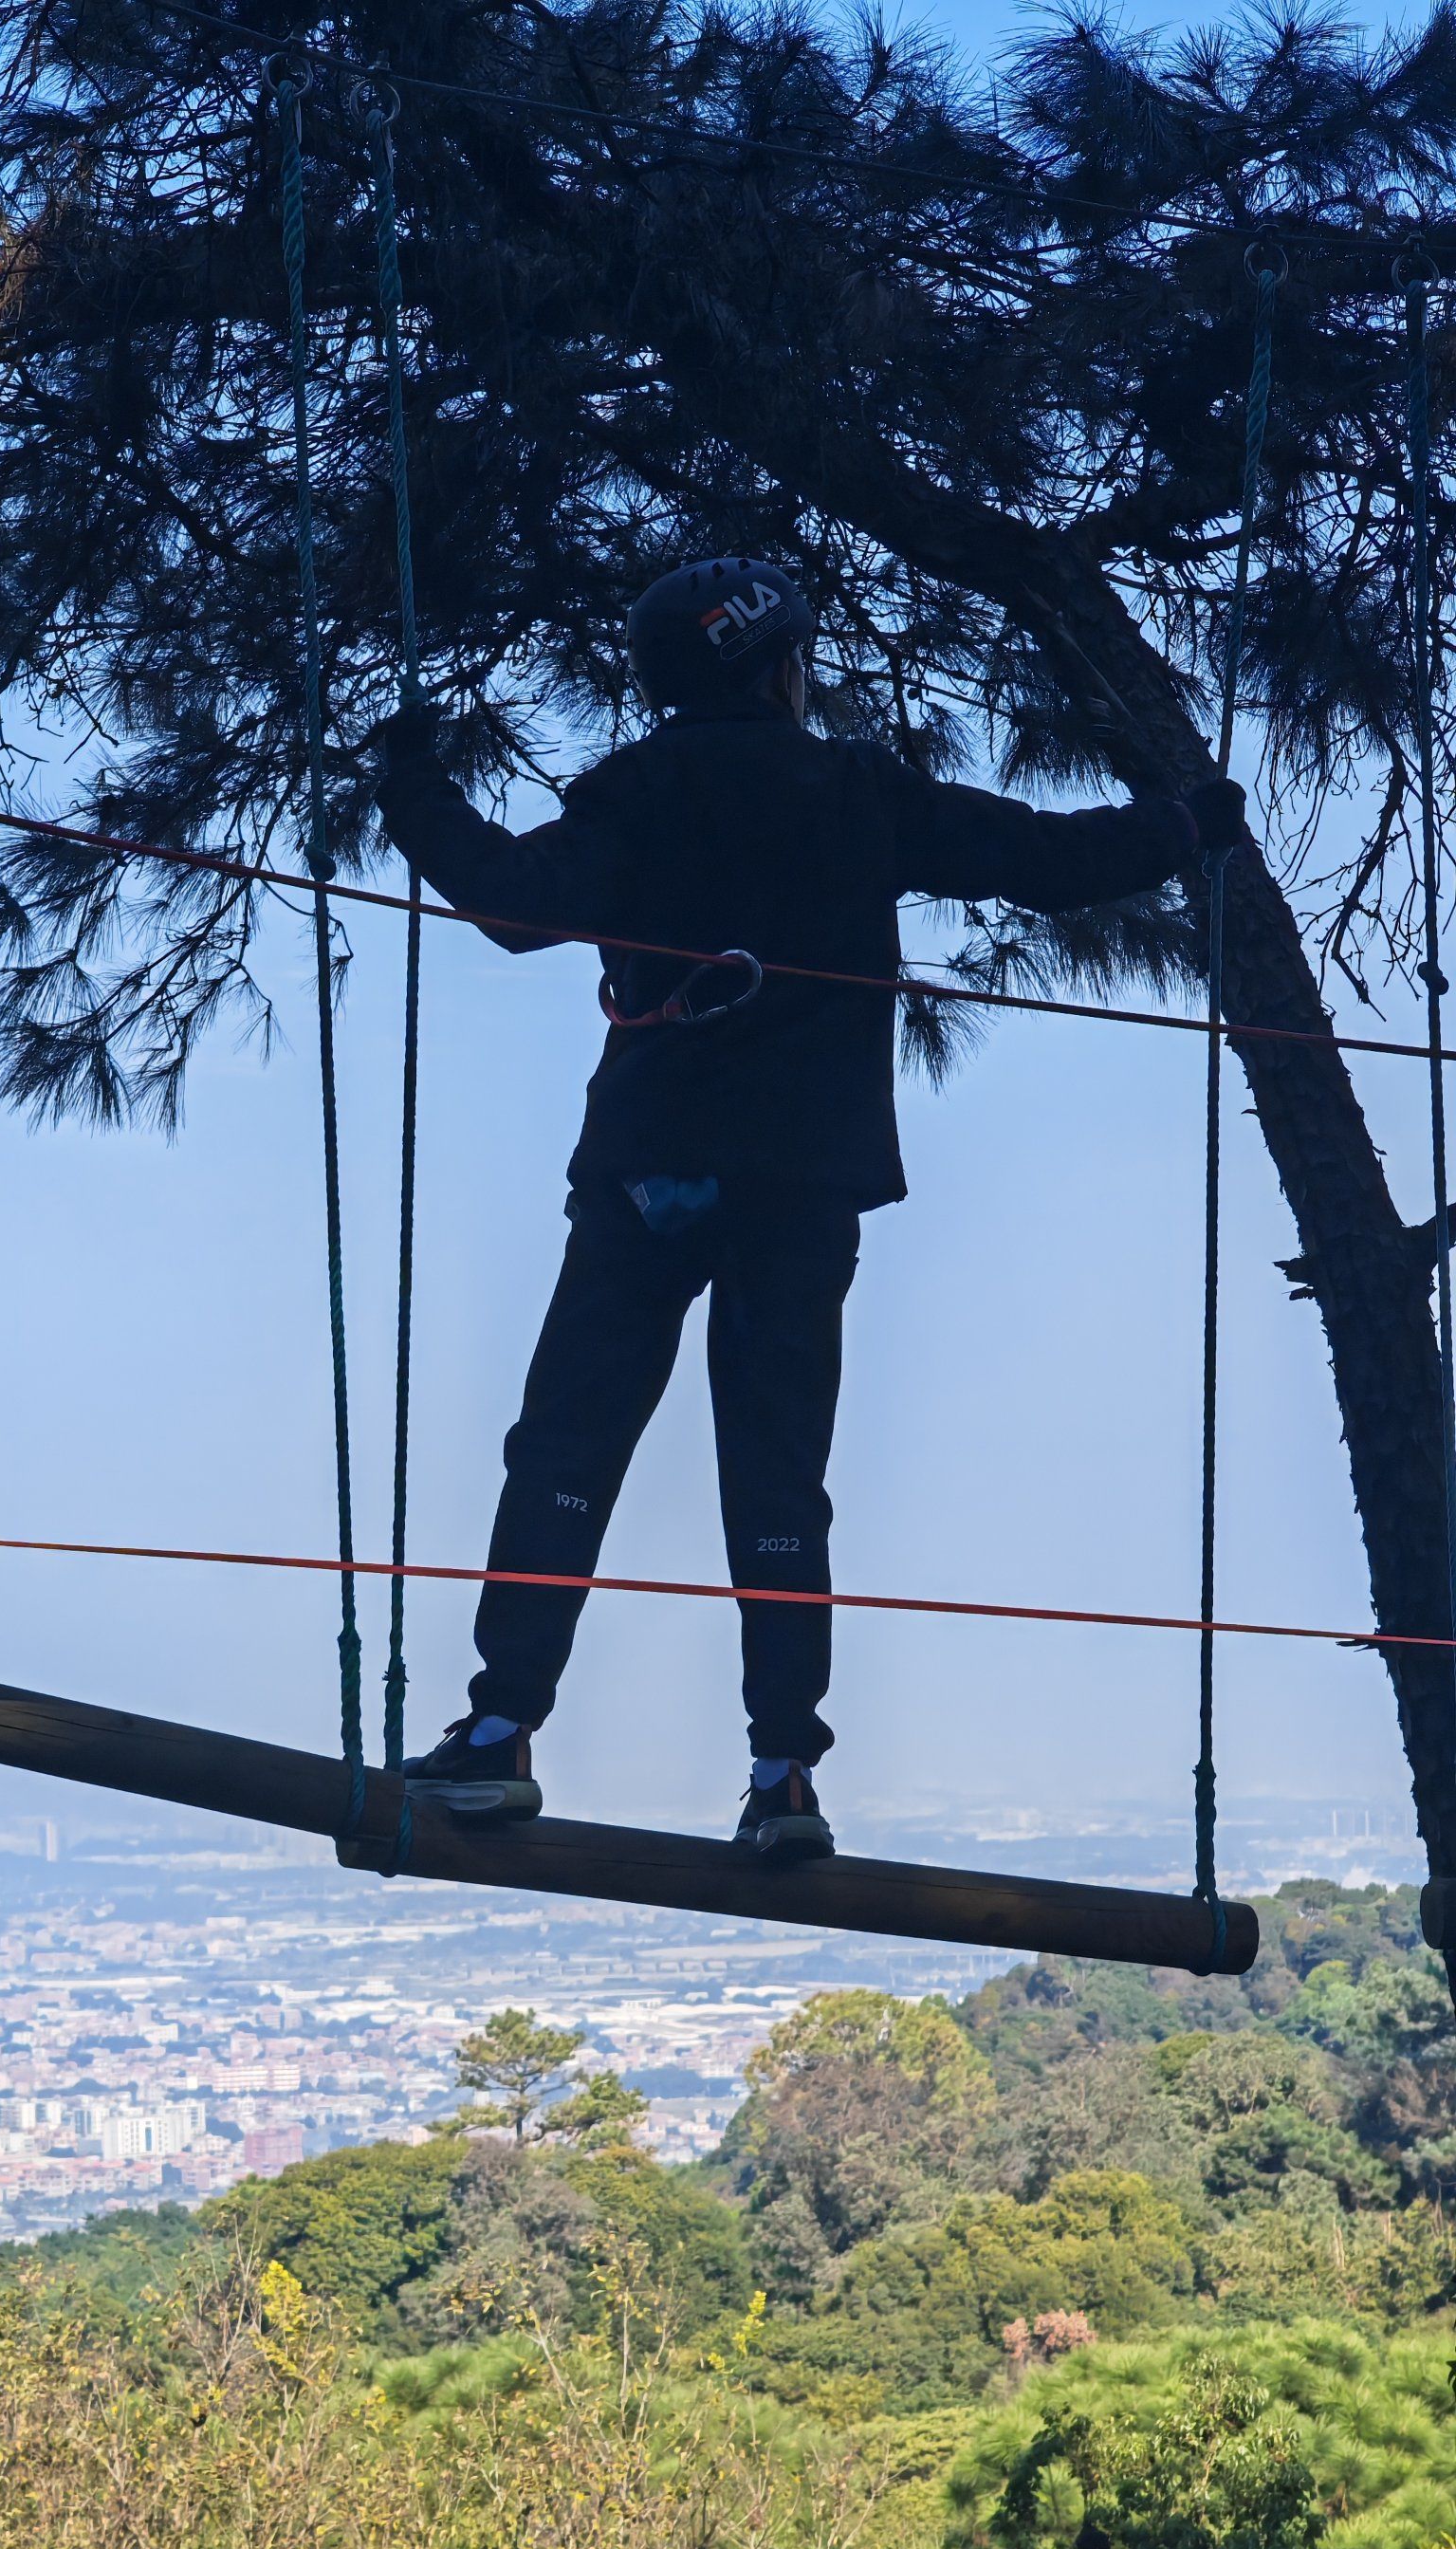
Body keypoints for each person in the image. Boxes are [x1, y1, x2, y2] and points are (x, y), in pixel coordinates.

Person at [375, 556, 1243, 1855]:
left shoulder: (639, 791)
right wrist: (1189, 821)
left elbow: (507, 901)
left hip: (650, 1165)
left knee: (568, 1446)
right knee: (776, 1469)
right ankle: (784, 1772)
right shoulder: (856, 795)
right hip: (803, 1180)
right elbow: (1043, 861)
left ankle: (498, 1734)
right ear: (776, 666)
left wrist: (410, 778)